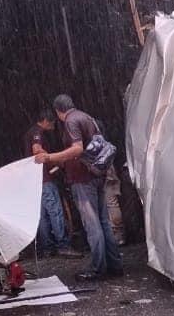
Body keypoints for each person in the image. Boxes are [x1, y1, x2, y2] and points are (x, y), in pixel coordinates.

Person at [34, 95, 123, 282]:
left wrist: (50, 157)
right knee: (104, 222)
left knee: (92, 224)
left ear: (58, 111)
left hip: (82, 179)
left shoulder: (71, 121)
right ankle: (115, 265)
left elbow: (77, 149)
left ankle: (98, 268)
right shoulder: (87, 117)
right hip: (97, 174)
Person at [25, 108, 77, 258]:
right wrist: (54, 159)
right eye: (53, 123)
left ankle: (47, 247)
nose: (54, 126)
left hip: (34, 181)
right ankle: (63, 245)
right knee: (55, 211)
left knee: (42, 215)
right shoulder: (37, 133)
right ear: (46, 121)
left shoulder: (28, 133)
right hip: (45, 179)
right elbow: (36, 149)